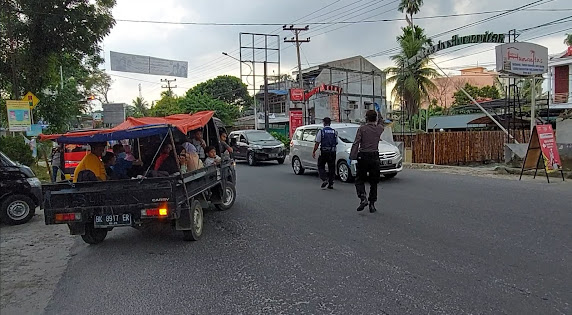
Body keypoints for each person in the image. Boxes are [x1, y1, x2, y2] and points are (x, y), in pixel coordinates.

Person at [349, 109, 384, 213]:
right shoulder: (379, 129)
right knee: (374, 181)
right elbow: (382, 123)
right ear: (376, 118)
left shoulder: (362, 129)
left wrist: (352, 156)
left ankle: (363, 197)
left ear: (366, 118)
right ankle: (372, 204)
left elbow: (356, 143)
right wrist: (380, 114)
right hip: (374, 156)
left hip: (363, 156)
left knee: (359, 179)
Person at [312, 117, 338, 189]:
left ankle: (324, 179)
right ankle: (331, 183)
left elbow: (317, 143)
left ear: (324, 123)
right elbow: (336, 142)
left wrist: (314, 151)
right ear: (330, 123)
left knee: (320, 165)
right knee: (332, 167)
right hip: (332, 152)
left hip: (324, 152)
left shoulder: (321, 131)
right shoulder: (334, 132)